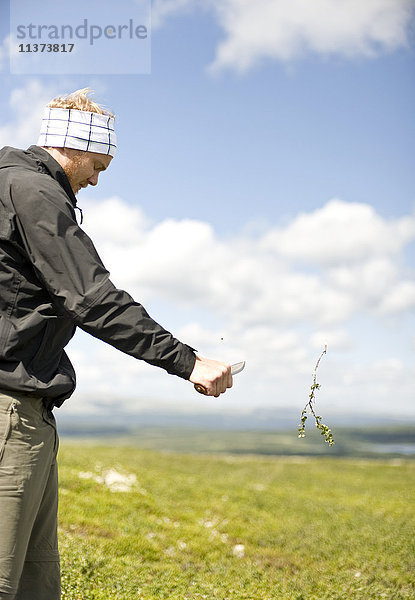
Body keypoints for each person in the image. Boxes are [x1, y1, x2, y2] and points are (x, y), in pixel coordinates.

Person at [0, 88, 232, 599]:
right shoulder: (34, 193)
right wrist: (186, 361)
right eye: (98, 165)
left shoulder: (12, 186)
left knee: (36, 579)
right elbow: (92, 298)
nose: (97, 179)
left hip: (28, 408)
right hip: (9, 412)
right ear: (73, 146)